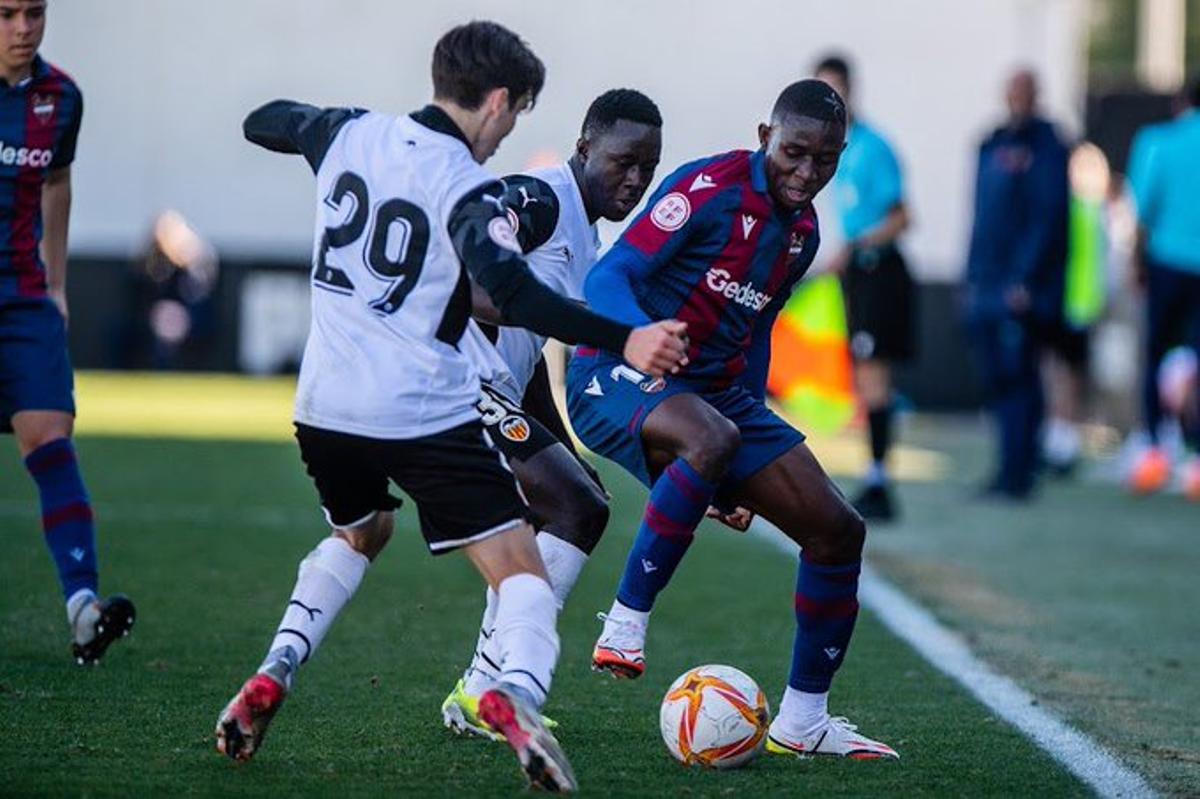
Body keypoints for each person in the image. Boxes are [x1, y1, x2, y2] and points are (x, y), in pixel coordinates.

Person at [214, 22, 687, 792]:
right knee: (526, 566)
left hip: (325, 403)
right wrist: (628, 338)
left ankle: (277, 666)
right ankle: (503, 689)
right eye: (514, 114)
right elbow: (511, 292)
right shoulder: (493, 188)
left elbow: (265, 119)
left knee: (364, 530)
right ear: (496, 102)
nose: (506, 135)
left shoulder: (350, 134)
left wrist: (336, 129)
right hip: (429, 398)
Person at [566, 79, 897, 760]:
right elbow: (606, 277)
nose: (808, 173)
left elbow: (755, 336)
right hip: (613, 370)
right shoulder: (708, 188)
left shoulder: (802, 235)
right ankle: (624, 623)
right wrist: (638, 335)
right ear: (763, 136)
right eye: (795, 152)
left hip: (714, 398)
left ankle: (804, 722)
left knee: (838, 530)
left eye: (826, 159)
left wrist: (745, 468)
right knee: (712, 437)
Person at [442, 88, 664, 738]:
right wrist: (529, 306)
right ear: (585, 146)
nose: (635, 178)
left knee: (576, 498)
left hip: (491, 391)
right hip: (447, 384)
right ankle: (488, 688)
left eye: (647, 167)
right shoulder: (542, 197)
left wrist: (568, 446)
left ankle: (481, 690)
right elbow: (475, 274)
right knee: (577, 508)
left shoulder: (588, 242)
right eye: (624, 160)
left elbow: (533, 356)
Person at [0, 0, 135, 664]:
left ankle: (84, 609)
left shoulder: (62, 98)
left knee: (51, 437)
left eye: (34, 12)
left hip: (24, 298)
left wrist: (55, 284)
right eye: (5, 14)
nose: (23, 28)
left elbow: (57, 182)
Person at [812, 54, 914, 521]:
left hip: (879, 273)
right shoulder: (836, 150)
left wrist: (855, 247)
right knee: (862, 376)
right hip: (856, 273)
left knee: (875, 378)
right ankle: (875, 475)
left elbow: (903, 217)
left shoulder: (874, 147)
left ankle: (880, 481)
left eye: (836, 90)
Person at [963, 69, 1070, 501]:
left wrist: (1026, 279)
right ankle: (1006, 466)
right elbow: (980, 215)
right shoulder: (992, 142)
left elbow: (1048, 218)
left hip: (1020, 287)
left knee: (1019, 376)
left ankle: (1020, 471)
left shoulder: (1048, 145)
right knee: (997, 378)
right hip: (986, 281)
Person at [1125, 76, 1200, 499]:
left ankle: (1155, 450)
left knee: (1156, 353)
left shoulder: (1160, 141)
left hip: (1169, 264)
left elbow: (1141, 211)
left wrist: (1137, 264)